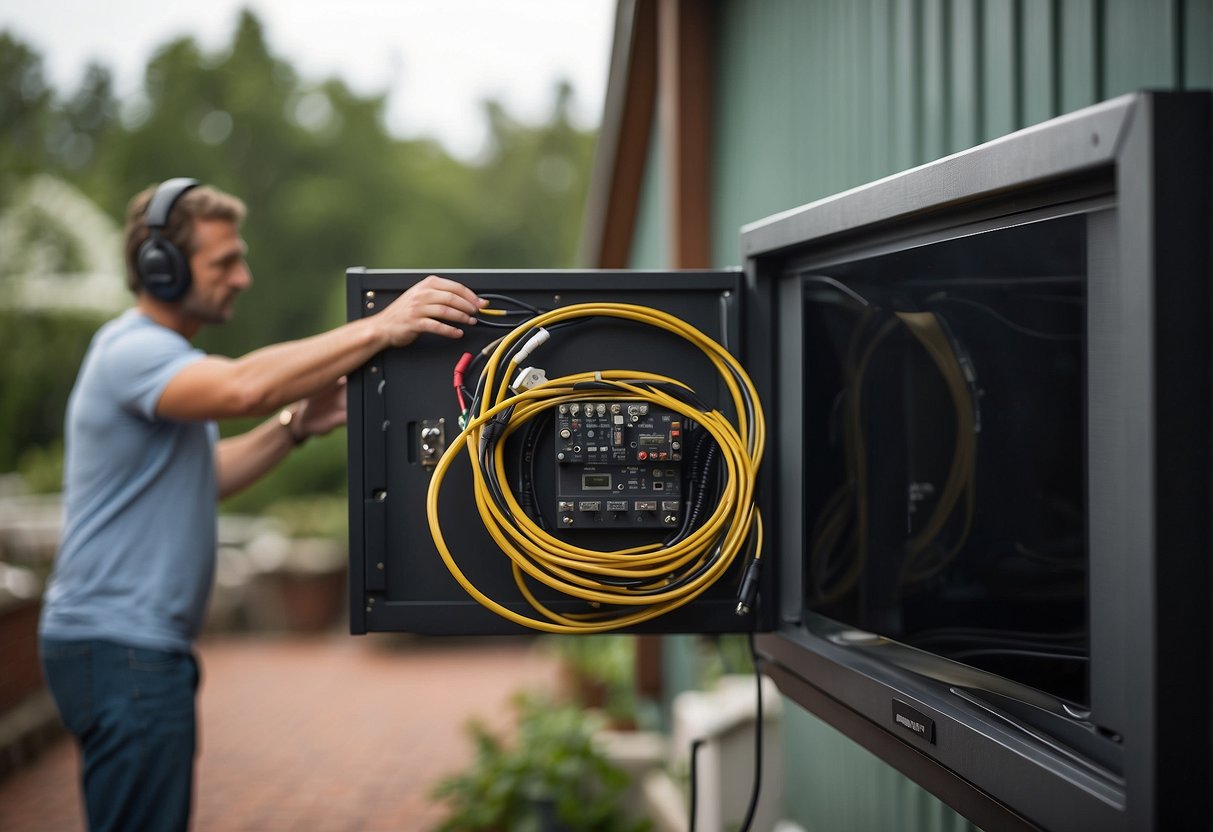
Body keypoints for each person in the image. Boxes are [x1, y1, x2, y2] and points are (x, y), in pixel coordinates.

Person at [37, 178, 485, 832]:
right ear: (158, 269)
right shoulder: (133, 351)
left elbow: (202, 474)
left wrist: (296, 427)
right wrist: (382, 327)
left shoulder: (159, 361)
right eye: (224, 262)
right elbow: (245, 385)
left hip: (123, 646)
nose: (242, 277)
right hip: (121, 647)